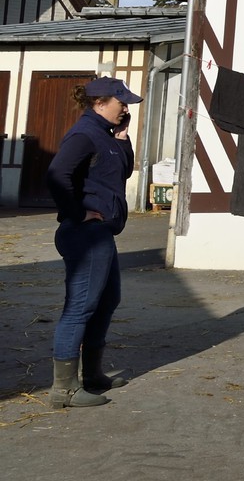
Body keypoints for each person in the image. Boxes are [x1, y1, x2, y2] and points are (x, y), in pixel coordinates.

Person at [45, 75, 141, 408]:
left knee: (108, 299)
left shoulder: (106, 136)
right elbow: (57, 174)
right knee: (80, 307)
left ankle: (92, 375)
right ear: (100, 102)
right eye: (121, 102)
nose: (126, 108)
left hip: (102, 234)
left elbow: (123, 171)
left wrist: (124, 138)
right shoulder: (84, 135)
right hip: (85, 234)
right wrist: (77, 212)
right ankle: (64, 389)